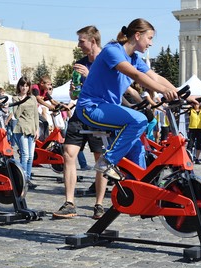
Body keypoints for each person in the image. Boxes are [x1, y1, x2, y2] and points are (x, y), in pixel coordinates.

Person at [75, 18, 183, 180]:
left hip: (108, 108)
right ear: (138, 35)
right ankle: (107, 161)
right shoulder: (113, 50)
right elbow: (135, 75)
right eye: (150, 38)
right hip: (90, 107)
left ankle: (141, 190)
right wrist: (164, 91)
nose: (151, 44)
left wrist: (179, 94)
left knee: (138, 150)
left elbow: (155, 77)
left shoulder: (134, 59)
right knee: (139, 120)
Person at [53, 25, 108, 219]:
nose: (78, 45)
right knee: (68, 154)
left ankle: (99, 205)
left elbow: (110, 89)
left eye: (81, 41)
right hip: (80, 113)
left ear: (92, 41)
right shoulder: (80, 62)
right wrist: (73, 90)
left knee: (100, 160)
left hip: (99, 114)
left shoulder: (106, 61)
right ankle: (69, 203)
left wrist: (88, 75)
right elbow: (75, 92)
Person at [12, 76, 39, 189]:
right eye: (22, 85)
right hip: (21, 128)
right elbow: (16, 114)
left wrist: (37, 129)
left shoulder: (33, 98)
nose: (24, 88)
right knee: (25, 154)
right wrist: (22, 102)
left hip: (32, 128)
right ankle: (22, 178)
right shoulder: (15, 98)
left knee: (31, 156)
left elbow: (36, 114)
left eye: (26, 85)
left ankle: (27, 178)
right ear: (19, 86)